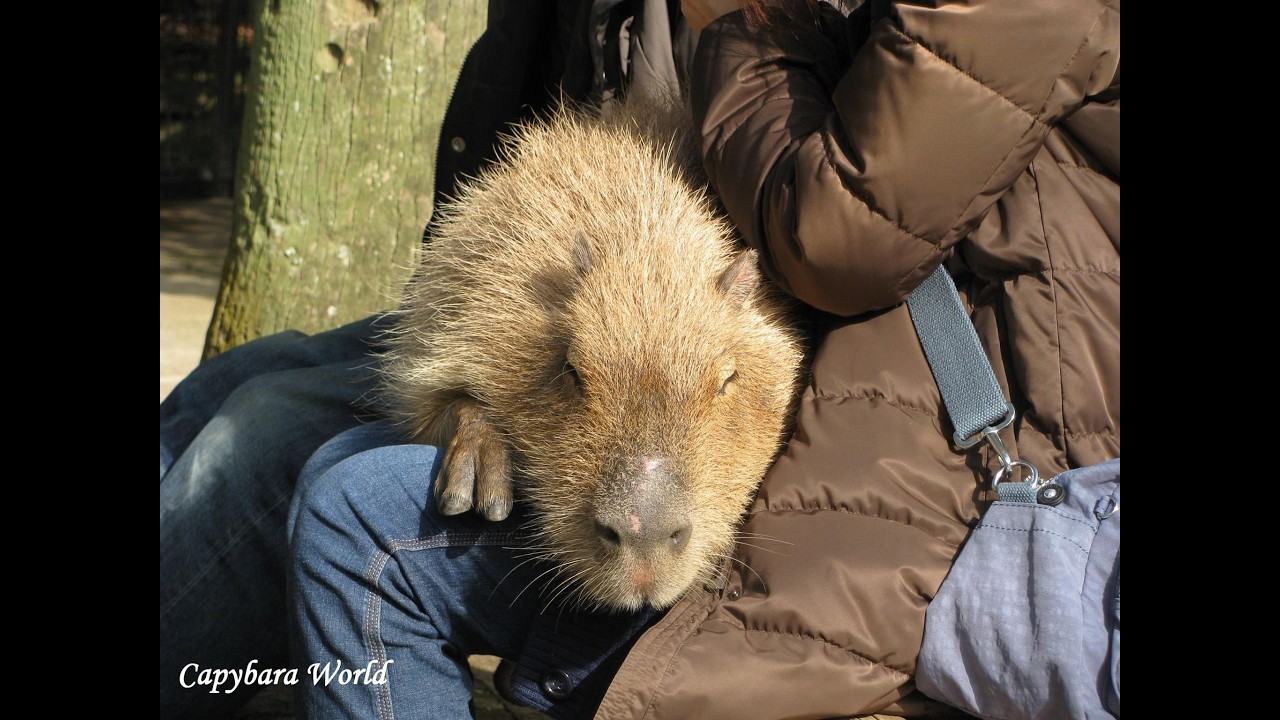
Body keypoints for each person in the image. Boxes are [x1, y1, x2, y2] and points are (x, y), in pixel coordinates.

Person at [162, 0, 1119, 717]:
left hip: (927, 441)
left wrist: (732, 21)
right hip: (633, 300)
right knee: (248, 384)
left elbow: (839, 233)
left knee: (316, 474)